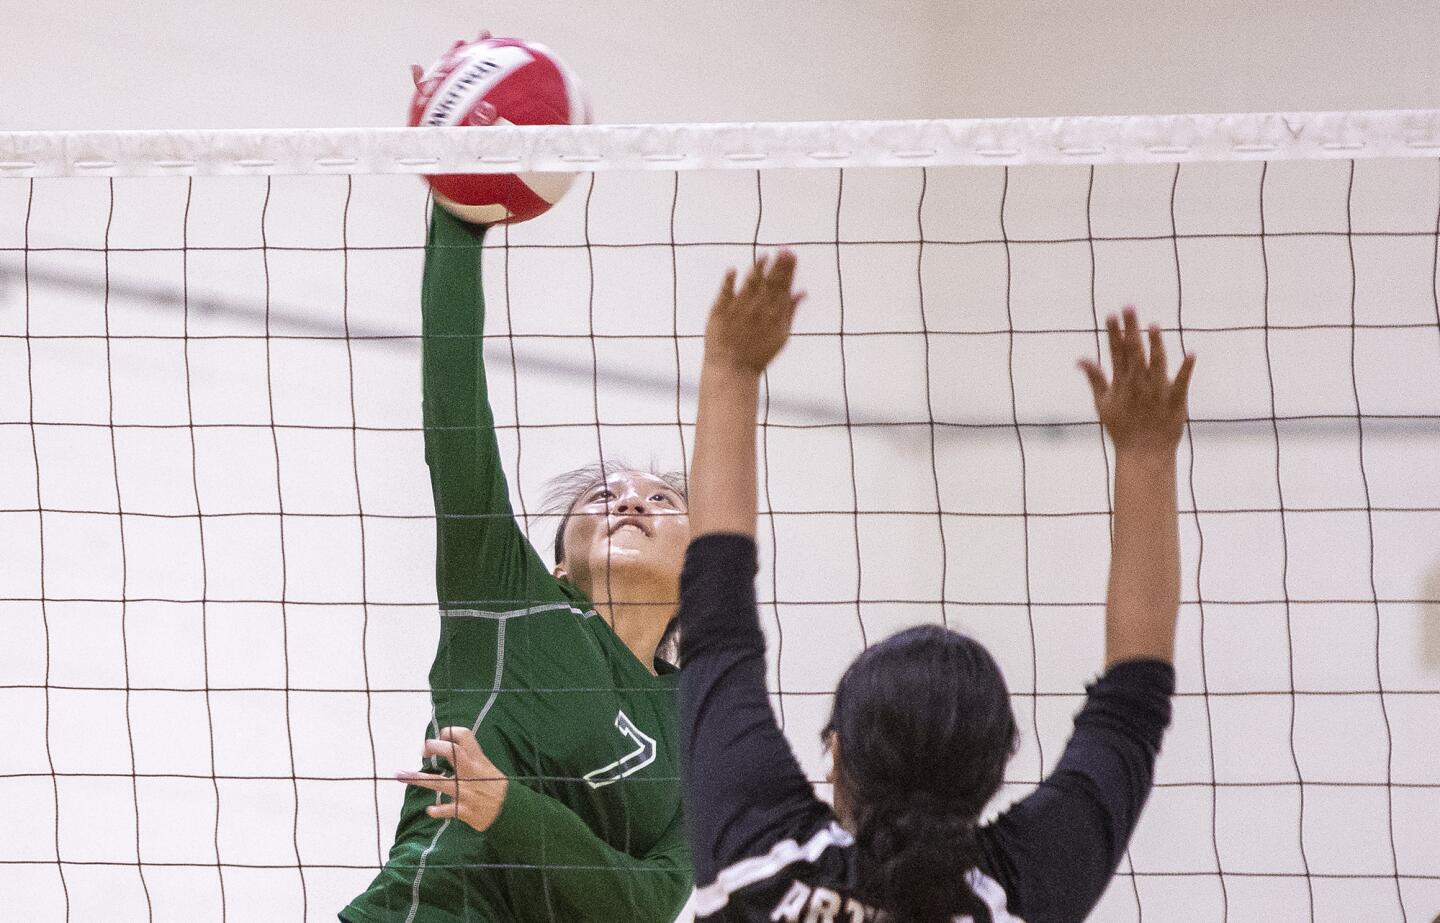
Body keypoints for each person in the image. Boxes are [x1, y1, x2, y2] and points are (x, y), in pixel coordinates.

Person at [678, 250, 1195, 923]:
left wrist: (731, 368)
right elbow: (1133, 706)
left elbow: (717, 623)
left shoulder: (761, 858)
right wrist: (1149, 453)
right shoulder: (1018, 893)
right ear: (995, 766)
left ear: (836, 752)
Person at [342, 206, 693, 923]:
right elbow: (453, 390)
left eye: (661, 497)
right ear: (558, 563)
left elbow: (651, 903)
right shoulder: (508, 598)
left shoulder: (702, 716)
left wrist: (509, 810)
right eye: (604, 495)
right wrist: (457, 208)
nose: (631, 501)